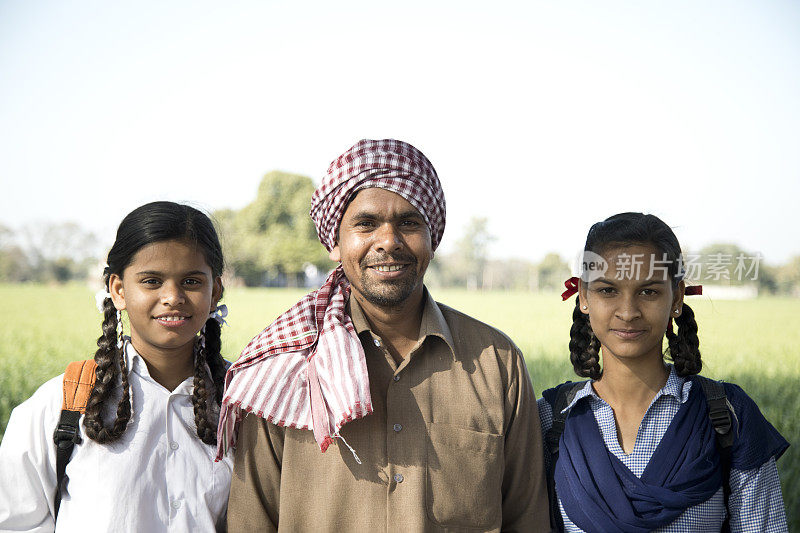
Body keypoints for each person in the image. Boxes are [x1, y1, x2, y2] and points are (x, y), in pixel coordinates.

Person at [219, 139, 550, 532]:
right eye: (366, 223)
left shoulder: (496, 362)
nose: (389, 241)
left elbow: (526, 518)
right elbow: (251, 521)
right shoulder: (285, 366)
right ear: (335, 242)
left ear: (433, 238)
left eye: (409, 223)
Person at [539, 212, 789, 532]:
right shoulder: (550, 420)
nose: (628, 312)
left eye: (649, 292)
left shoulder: (727, 417)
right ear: (584, 297)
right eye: (608, 290)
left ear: (677, 298)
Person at [0, 201, 233, 532]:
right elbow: (14, 522)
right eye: (152, 281)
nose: (173, 297)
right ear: (118, 290)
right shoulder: (62, 403)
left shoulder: (247, 401)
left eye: (192, 282)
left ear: (215, 292)